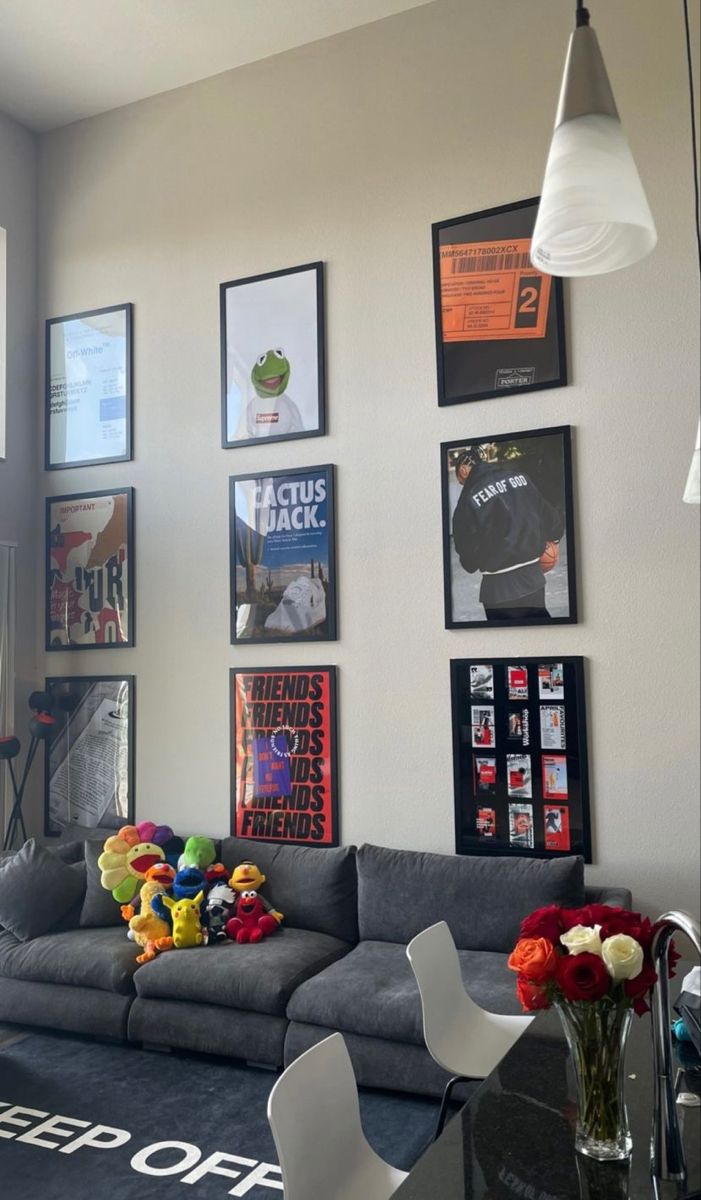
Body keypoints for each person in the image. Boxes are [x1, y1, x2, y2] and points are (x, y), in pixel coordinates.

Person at [451, 445, 564, 621]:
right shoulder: (521, 479)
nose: (461, 484)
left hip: (497, 590)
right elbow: (552, 519)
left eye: (460, 479)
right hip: (533, 579)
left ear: (464, 470)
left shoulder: (466, 502)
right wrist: (552, 543)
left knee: (506, 643)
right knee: (541, 636)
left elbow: (468, 561)